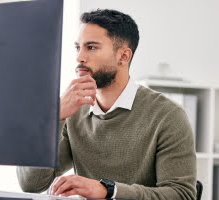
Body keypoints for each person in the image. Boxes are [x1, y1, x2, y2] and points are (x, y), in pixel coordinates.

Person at [17, 9, 197, 199]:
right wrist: (55, 119)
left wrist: (108, 190)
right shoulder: (72, 111)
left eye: (92, 47)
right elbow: (31, 184)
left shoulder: (168, 115)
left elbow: (182, 194)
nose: (80, 57)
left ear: (123, 57)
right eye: (78, 48)